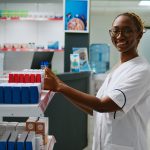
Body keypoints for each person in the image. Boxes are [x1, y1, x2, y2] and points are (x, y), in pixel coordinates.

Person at [44, 12, 150, 150]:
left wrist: (60, 86)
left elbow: (103, 105)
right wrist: (60, 87)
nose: (120, 36)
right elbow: (96, 110)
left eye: (127, 30)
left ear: (139, 34)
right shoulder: (118, 69)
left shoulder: (142, 70)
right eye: (115, 30)